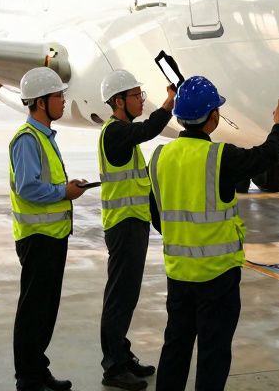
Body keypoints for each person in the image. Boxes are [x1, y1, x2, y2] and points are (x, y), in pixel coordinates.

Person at [150, 76, 279, 391]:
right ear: (212, 117)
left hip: (178, 274)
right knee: (213, 353)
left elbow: (156, 217)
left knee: (175, 347)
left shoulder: (160, 157)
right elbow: (265, 156)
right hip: (218, 277)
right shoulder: (220, 158)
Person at [10, 66, 91, 391]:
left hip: (53, 236)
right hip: (38, 238)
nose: (62, 100)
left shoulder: (42, 137)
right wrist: (63, 192)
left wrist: (67, 186)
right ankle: (28, 379)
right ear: (42, 102)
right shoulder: (28, 140)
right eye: (58, 96)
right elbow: (27, 188)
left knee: (44, 311)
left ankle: (37, 370)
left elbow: (42, 182)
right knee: (33, 312)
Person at [96, 70, 176, 391]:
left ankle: (121, 355)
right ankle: (113, 367)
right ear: (118, 101)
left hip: (134, 223)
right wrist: (169, 104)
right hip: (123, 226)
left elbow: (143, 188)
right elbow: (148, 130)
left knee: (126, 296)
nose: (140, 100)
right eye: (135, 95)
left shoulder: (124, 134)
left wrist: (161, 225)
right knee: (119, 296)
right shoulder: (116, 133)